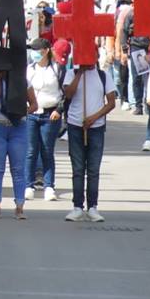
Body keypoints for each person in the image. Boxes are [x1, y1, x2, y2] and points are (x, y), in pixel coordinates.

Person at [62, 57, 117, 223]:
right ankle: (77, 206)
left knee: (93, 169)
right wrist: (80, 73)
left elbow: (111, 102)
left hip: (96, 127)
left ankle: (92, 206)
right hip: (75, 125)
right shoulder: (71, 73)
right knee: (78, 168)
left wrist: (94, 117)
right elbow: (68, 94)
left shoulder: (103, 75)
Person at [0, 59, 37, 220]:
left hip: (18, 128)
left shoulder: (23, 82)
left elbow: (34, 104)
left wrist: (23, 112)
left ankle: (19, 207)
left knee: (18, 169)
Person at [24, 38, 63, 202]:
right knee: (31, 151)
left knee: (47, 151)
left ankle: (49, 186)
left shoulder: (57, 69)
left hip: (50, 114)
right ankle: (28, 185)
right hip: (31, 114)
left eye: (37, 50)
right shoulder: (29, 69)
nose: (34, 53)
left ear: (46, 50)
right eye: (32, 50)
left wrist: (58, 110)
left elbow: (65, 92)